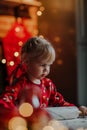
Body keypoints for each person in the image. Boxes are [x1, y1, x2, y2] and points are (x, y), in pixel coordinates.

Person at [0, 36, 87, 115]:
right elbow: (4, 101)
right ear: (26, 61)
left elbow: (60, 102)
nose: (46, 69)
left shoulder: (48, 84)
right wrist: (14, 113)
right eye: (42, 65)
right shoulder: (20, 84)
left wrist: (76, 109)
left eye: (49, 65)